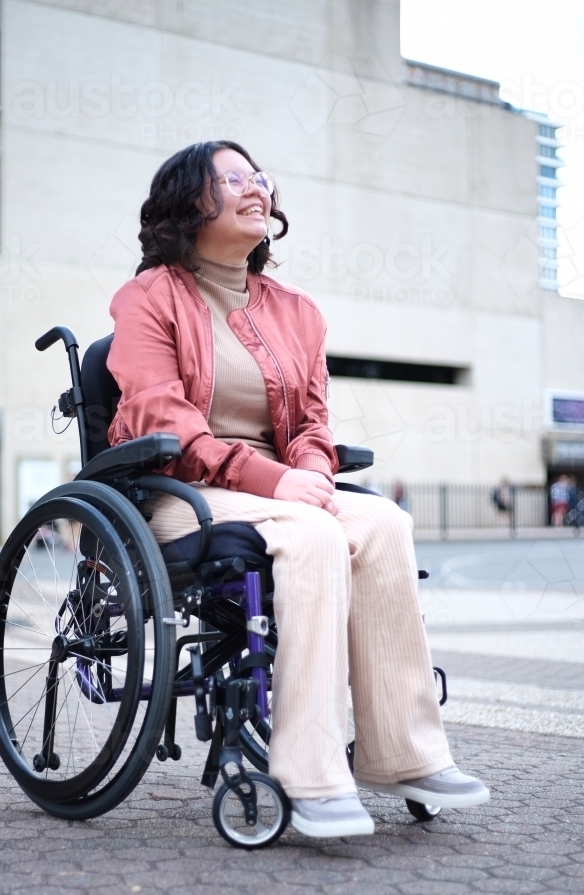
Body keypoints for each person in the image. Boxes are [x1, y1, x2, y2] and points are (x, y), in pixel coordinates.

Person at [107, 141, 489, 838]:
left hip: (282, 487)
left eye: (259, 177)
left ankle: (402, 752)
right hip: (179, 490)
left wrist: (309, 471)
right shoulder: (147, 297)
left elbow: (312, 422)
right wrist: (277, 480)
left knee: (383, 524)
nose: (255, 188)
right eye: (232, 179)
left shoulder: (297, 312)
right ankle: (309, 773)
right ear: (188, 200)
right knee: (312, 532)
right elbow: (164, 418)